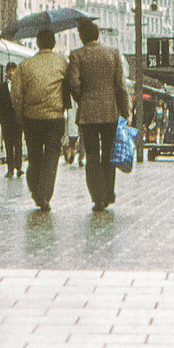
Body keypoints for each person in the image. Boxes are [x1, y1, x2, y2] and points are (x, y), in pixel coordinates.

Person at [66, 21, 130, 212]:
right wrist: (124, 111)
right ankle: (109, 193)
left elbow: (74, 84)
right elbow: (120, 86)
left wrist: (83, 98)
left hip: (88, 115)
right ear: (97, 34)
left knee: (92, 156)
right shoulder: (113, 54)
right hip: (110, 112)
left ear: (81, 36)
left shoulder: (77, 55)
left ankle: (97, 198)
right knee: (109, 154)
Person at [11, 29, 69, 212]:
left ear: (37, 43)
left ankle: (36, 191)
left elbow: (16, 95)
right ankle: (44, 195)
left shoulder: (25, 65)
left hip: (32, 119)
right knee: (52, 157)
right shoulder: (62, 63)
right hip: (54, 118)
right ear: (53, 43)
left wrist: (21, 115)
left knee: (34, 157)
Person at [0, 62, 22, 178]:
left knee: (18, 145)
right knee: (9, 146)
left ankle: (19, 168)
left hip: (18, 122)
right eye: (9, 70)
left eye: (13, 70)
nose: (11, 73)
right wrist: (1, 119)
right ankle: (10, 169)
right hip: (6, 122)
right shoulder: (1, 87)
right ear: (6, 72)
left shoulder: (20, 86)